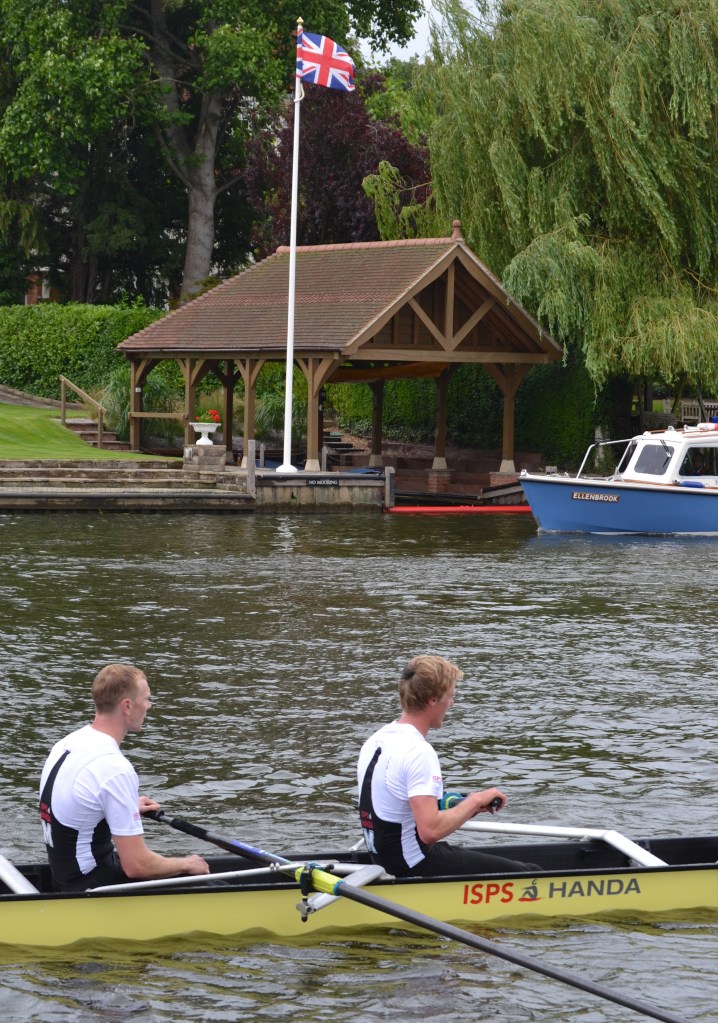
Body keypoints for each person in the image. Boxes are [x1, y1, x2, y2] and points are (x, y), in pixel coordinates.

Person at [357, 655, 536, 877]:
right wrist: (476, 801)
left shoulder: (377, 740)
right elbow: (430, 831)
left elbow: (399, 804)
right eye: (450, 696)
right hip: (413, 864)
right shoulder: (418, 751)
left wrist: (467, 804)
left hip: (385, 859)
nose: (452, 704)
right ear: (433, 699)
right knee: (528, 872)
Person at [39, 663, 210, 892]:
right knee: (212, 883)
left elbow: (73, 805)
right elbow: (136, 866)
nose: (149, 706)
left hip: (64, 879)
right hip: (93, 888)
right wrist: (187, 864)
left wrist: (125, 807)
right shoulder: (114, 768)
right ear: (127, 706)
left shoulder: (67, 743)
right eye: (146, 699)